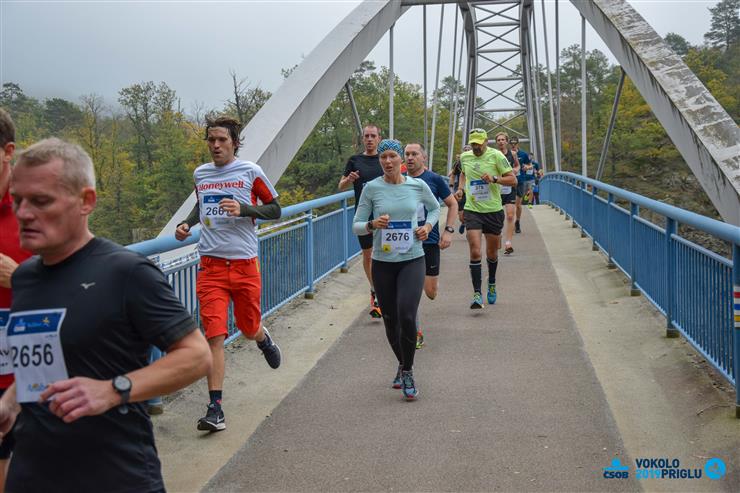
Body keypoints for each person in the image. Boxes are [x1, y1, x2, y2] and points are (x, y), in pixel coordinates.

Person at [0, 138, 211, 493]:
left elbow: (197, 356)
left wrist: (114, 390)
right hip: (32, 474)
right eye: (18, 200)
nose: (23, 213)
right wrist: (9, 404)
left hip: (114, 474)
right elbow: (45, 364)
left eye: (41, 201)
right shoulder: (25, 277)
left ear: (86, 201)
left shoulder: (126, 272)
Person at [175, 116, 282, 433]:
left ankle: (262, 337)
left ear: (234, 143)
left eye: (222, 139)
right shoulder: (201, 173)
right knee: (215, 337)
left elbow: (275, 209)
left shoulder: (251, 171)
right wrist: (186, 224)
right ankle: (215, 409)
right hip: (210, 267)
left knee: (248, 328)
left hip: (244, 264)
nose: (216, 145)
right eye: (211, 140)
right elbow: (202, 205)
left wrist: (243, 209)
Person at [352, 139, 440, 400]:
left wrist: (428, 227)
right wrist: (372, 225)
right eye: (383, 157)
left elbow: (435, 208)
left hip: (412, 258)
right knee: (390, 318)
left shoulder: (417, 185)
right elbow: (356, 225)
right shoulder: (371, 188)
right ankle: (402, 363)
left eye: (392, 156)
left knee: (407, 315)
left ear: (401, 159)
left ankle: (409, 370)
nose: (388, 161)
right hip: (383, 262)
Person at [0, 108, 32, 493]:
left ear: (8, 151)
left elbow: (78, 290)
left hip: (30, 383)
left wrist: (20, 278)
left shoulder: (37, 210)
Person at [455, 129, 517, 309]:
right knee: (475, 251)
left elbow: (512, 180)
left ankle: (491, 282)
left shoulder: (496, 156)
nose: (475, 146)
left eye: (478, 143)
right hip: (472, 210)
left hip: (493, 211)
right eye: (473, 143)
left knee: (491, 253)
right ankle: (477, 294)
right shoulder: (465, 157)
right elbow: (463, 173)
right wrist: (461, 189)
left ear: (485, 142)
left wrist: (494, 179)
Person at [404, 143, 457, 349]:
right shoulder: (398, 179)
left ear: (423, 158)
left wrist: (448, 231)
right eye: (407, 154)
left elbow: (452, 203)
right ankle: (415, 331)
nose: (410, 157)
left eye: (414, 154)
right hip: (406, 241)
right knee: (411, 289)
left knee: (430, 292)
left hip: (430, 240)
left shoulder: (433, 179)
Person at [338, 125, 384, 318]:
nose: (370, 139)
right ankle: (375, 291)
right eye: (367, 136)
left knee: (385, 253)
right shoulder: (354, 160)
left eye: (373, 136)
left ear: (379, 138)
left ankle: (384, 290)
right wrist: (349, 179)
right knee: (368, 255)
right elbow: (340, 187)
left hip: (384, 215)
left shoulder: (385, 159)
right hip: (363, 216)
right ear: (363, 139)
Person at [494, 132, 520, 255]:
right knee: (497, 216)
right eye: (498, 140)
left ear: (506, 141)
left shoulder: (512, 154)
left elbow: (517, 166)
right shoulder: (493, 154)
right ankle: (497, 235)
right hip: (496, 187)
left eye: (503, 139)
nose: (501, 141)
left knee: (510, 215)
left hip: (509, 187)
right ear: (496, 142)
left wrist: (515, 170)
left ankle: (508, 243)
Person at [511, 137, 537, 232]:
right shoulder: (506, 154)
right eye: (511, 143)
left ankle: (517, 222)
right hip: (508, 182)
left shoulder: (523, 154)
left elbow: (530, 165)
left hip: (520, 181)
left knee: (518, 205)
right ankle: (510, 222)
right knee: (510, 205)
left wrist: (527, 167)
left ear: (518, 144)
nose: (513, 145)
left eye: (515, 143)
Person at [448, 144, 471, 234]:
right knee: (461, 216)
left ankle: (472, 228)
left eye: (469, 149)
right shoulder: (458, 163)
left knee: (473, 212)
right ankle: (463, 222)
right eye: (465, 150)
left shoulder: (477, 161)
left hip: (472, 190)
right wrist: (451, 187)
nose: (467, 151)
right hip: (460, 190)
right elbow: (452, 175)